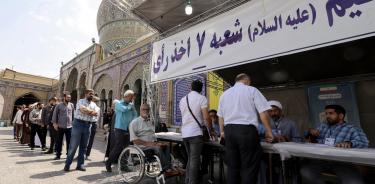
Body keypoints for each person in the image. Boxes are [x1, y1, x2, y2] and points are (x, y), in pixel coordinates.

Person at [218, 73, 273, 184]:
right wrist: (269, 131)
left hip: (229, 132)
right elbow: (263, 112)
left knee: (232, 168)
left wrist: (222, 131)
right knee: (249, 168)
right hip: (246, 131)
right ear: (247, 81)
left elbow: (220, 116)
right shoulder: (251, 90)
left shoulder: (225, 94)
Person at [301, 105, 369, 184]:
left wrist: (350, 143)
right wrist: (310, 131)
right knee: (305, 172)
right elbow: (307, 134)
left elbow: (364, 143)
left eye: (330, 113)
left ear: (341, 116)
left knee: (354, 182)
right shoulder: (323, 126)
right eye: (326, 114)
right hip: (321, 160)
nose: (327, 116)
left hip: (341, 162)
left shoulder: (352, 128)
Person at [129, 104, 179, 176]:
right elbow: (134, 140)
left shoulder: (149, 122)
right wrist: (150, 144)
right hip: (141, 147)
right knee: (158, 148)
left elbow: (152, 135)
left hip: (151, 145)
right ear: (140, 110)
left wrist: (157, 143)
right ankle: (166, 169)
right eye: (144, 109)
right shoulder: (134, 123)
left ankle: (169, 167)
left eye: (147, 109)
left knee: (166, 146)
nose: (146, 111)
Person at [179, 80, 212, 184]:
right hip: (195, 133)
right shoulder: (202, 98)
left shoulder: (182, 100)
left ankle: (188, 180)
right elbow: (206, 118)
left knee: (191, 158)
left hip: (185, 133)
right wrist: (211, 130)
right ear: (201, 89)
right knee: (194, 160)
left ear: (190, 87)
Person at [64, 89, 98, 171]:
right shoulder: (81, 101)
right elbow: (83, 110)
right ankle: (67, 164)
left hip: (88, 125)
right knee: (73, 146)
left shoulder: (94, 104)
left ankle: (80, 165)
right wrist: (91, 112)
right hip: (78, 124)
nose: (91, 95)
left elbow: (96, 113)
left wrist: (89, 111)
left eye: (93, 94)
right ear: (86, 94)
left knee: (83, 147)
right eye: (90, 94)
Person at [105, 90, 137, 172]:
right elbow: (124, 110)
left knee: (127, 147)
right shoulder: (118, 104)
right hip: (120, 128)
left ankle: (124, 165)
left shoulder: (130, 105)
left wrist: (131, 122)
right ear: (126, 97)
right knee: (118, 147)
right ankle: (108, 162)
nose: (132, 99)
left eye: (132, 97)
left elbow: (135, 114)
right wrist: (130, 106)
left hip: (128, 128)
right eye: (131, 97)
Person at [52, 94, 74, 160]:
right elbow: (55, 114)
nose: (69, 98)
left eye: (70, 97)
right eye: (68, 97)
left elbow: (73, 115)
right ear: (64, 97)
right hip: (60, 126)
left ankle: (68, 155)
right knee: (59, 141)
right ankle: (58, 155)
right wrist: (55, 124)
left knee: (69, 142)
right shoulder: (59, 105)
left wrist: (73, 123)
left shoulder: (71, 105)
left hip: (69, 127)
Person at [85, 96, 101, 160]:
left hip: (93, 123)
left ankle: (87, 154)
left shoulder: (98, 108)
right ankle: (82, 153)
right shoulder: (88, 106)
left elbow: (98, 117)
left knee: (91, 140)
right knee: (85, 139)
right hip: (88, 123)